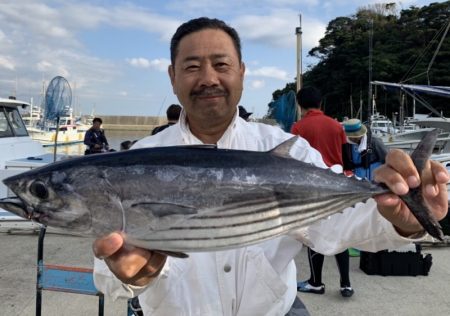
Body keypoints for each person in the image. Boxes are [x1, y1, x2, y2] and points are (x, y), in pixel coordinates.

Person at [92, 17, 449, 316]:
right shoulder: (139, 158)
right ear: (172, 76)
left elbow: (338, 227)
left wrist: (402, 222)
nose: (208, 78)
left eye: (221, 64)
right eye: (191, 67)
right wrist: (133, 277)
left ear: (242, 73)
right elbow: (108, 277)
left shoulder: (286, 149)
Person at [291, 87, 354, 298]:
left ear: (300, 105)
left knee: (314, 235)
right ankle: (346, 284)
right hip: (338, 184)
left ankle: (316, 282)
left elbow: (294, 162)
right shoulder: (337, 126)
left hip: (313, 187)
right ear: (321, 103)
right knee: (340, 233)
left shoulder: (298, 127)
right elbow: (347, 157)